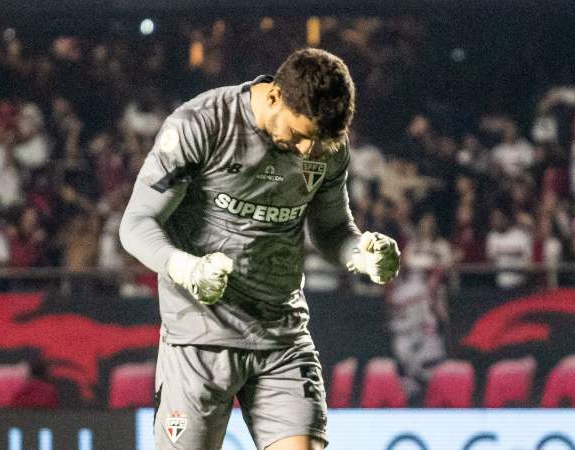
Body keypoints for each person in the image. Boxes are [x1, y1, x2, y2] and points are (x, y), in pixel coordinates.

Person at [120, 48, 399, 450]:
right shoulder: (202, 124)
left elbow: (333, 229)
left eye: (319, 141)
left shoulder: (325, 144)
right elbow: (136, 223)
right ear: (273, 97)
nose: (309, 151)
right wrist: (185, 269)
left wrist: (361, 254)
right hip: (199, 337)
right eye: (302, 135)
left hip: (281, 336)